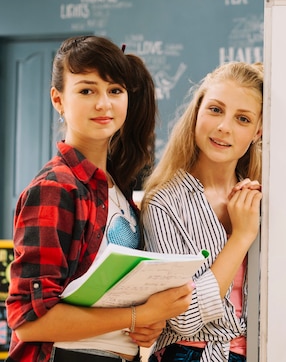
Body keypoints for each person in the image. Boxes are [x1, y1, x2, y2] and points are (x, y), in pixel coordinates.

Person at [6, 35, 195, 362]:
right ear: (58, 99)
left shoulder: (116, 190)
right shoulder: (56, 188)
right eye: (86, 90)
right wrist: (137, 316)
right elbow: (30, 322)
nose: (103, 103)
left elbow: (120, 300)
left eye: (115, 90)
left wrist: (146, 322)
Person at [140, 62, 264, 362]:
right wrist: (241, 237)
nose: (224, 127)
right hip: (188, 355)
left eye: (243, 119)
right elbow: (183, 319)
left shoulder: (264, 200)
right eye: (215, 110)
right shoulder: (163, 203)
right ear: (197, 112)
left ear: (258, 132)